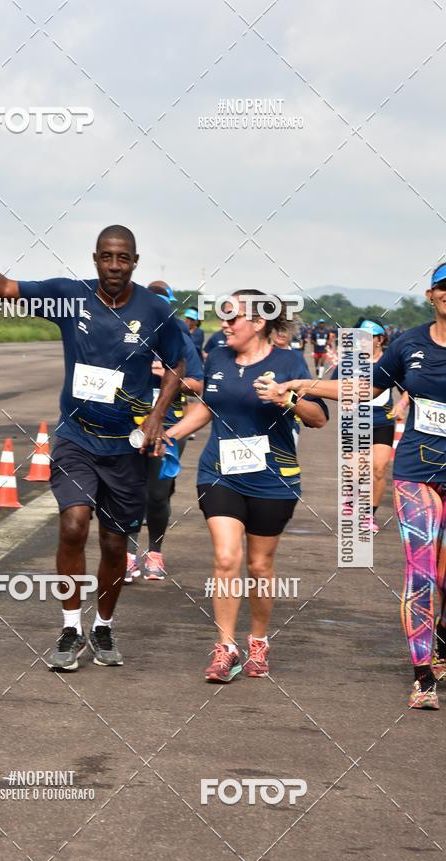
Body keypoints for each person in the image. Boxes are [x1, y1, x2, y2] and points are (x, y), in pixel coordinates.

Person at [0, 220, 185, 671]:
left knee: (114, 546)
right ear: (95, 260)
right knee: (73, 525)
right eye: (106, 257)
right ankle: (71, 627)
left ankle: (103, 627)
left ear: (135, 262)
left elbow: (178, 361)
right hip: (75, 438)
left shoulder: (156, 311)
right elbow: (4, 289)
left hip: (126, 448)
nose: (114, 265)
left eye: (122, 257)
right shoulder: (71, 296)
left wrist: (156, 415)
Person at [269, 263, 446, 709]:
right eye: (443, 287)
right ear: (430, 295)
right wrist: (302, 383)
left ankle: (440, 642)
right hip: (417, 472)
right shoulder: (410, 344)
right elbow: (363, 389)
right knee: (421, 571)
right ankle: (423, 676)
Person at [160, 289, 328, 683]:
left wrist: (286, 399)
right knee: (225, 557)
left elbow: (318, 418)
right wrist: (172, 434)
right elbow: (208, 406)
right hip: (219, 472)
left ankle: (258, 641)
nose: (225, 325)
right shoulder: (217, 355)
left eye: (232, 318)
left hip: (273, 479)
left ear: (258, 322)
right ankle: (225, 649)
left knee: (259, 565)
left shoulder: (288, 361)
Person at [126, 282, 204, 582]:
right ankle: (129, 556)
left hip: (170, 426)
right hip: (129, 424)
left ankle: (154, 552)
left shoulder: (180, 339)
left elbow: (198, 383)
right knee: (131, 492)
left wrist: (170, 378)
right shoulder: (129, 335)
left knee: (157, 495)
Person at [331, 318, 406, 533]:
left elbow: (408, 388)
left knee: (379, 469)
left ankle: (368, 516)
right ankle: (350, 496)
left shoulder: (390, 364)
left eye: (368, 338)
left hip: (382, 422)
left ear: (380, 339)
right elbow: (333, 387)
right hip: (353, 422)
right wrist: (343, 399)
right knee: (356, 472)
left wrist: (402, 403)